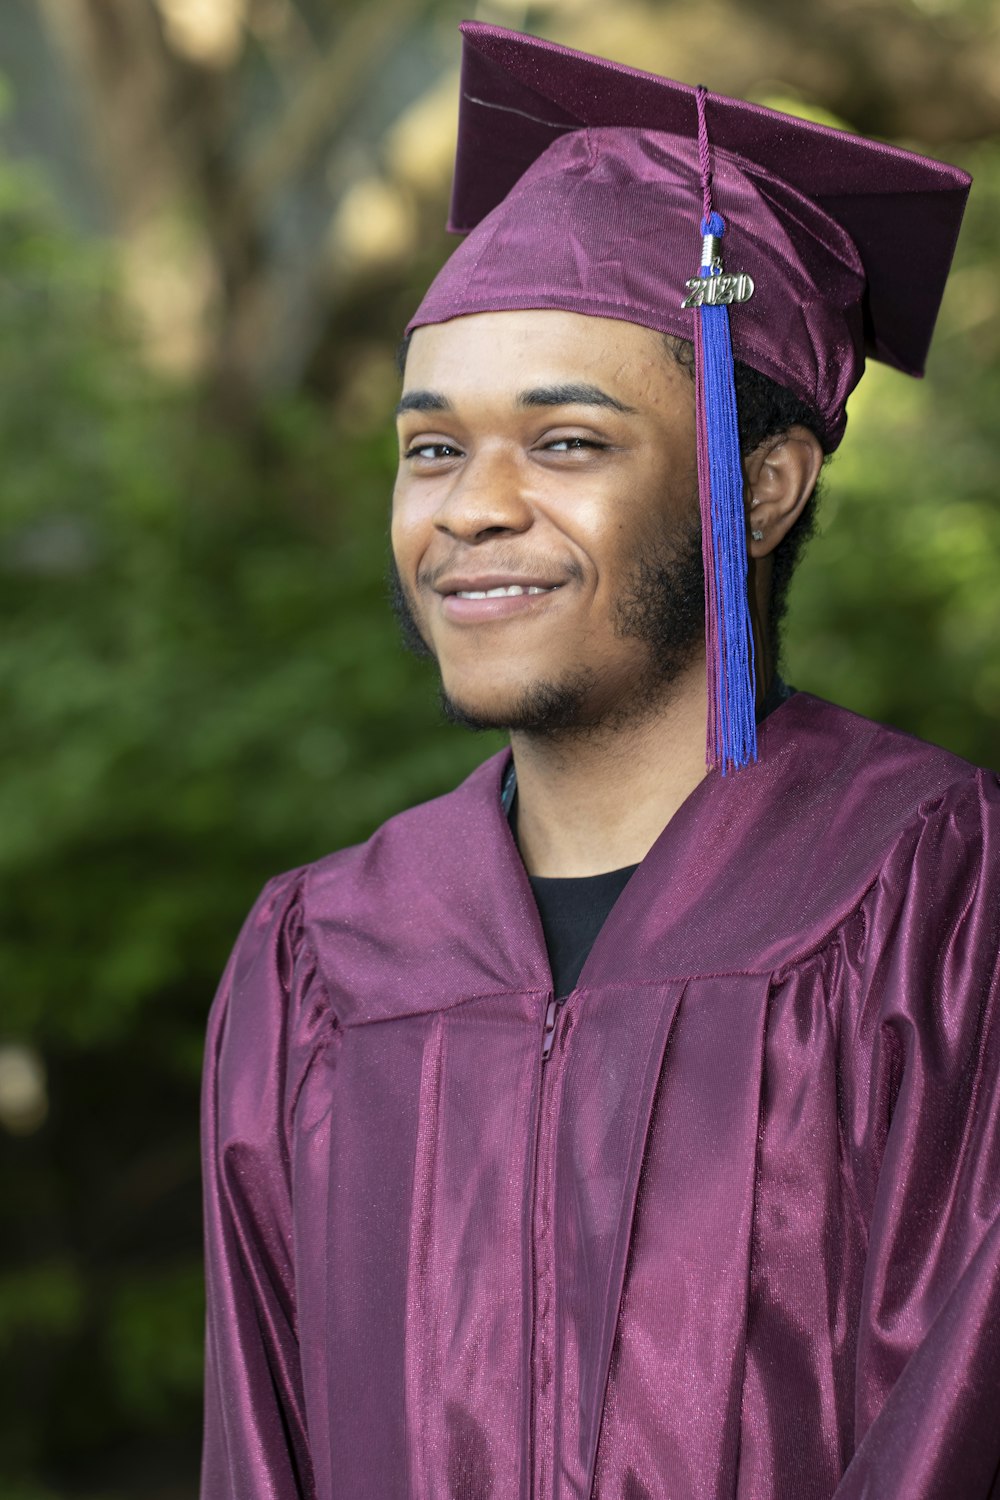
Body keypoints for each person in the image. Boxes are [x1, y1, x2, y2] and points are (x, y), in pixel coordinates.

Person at [200, 22, 1000, 1500]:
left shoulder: (940, 900)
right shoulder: (320, 955)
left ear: (762, 486)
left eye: (566, 442)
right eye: (432, 450)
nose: (474, 508)